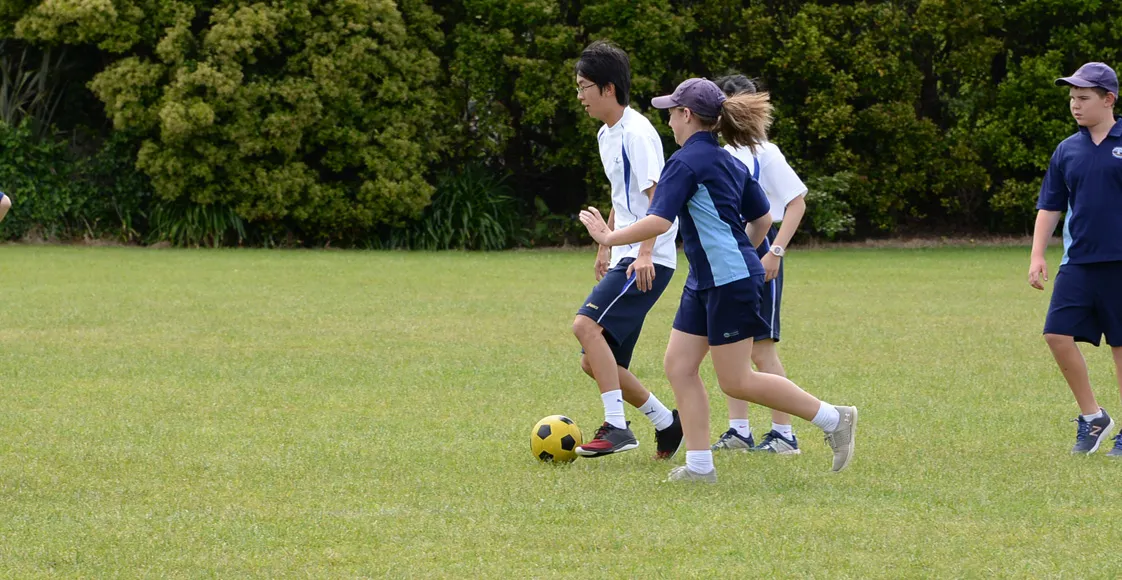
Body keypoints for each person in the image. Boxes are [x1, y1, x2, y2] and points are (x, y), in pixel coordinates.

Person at [579, 78, 858, 482]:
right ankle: (699, 466)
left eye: (672, 113)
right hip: (708, 279)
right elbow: (763, 217)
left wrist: (607, 237)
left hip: (726, 280)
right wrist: (740, 253)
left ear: (687, 115)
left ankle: (834, 419)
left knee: (737, 380)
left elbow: (658, 220)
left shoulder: (685, 162)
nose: (670, 122)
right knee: (678, 365)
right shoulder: (728, 160)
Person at [570, 40, 684, 459]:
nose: (579, 96)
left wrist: (644, 253)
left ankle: (617, 428)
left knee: (585, 326)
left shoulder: (638, 133)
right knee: (595, 362)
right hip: (625, 255)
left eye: (584, 87)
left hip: (648, 261)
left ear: (608, 89)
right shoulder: (606, 134)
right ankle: (667, 423)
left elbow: (659, 201)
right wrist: (606, 247)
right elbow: (625, 197)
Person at [710, 74, 809, 455]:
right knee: (730, 344)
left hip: (757, 258)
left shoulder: (765, 152)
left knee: (761, 350)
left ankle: (785, 434)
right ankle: (739, 431)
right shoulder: (719, 152)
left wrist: (775, 253)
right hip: (728, 261)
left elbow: (796, 201)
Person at [1029, 61, 1122, 456]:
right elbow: (1050, 206)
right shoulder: (1067, 149)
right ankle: (1093, 417)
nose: (1075, 105)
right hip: (1078, 262)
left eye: (1083, 98)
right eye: (1072, 98)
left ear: (1108, 99)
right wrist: (1037, 255)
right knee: (1056, 333)